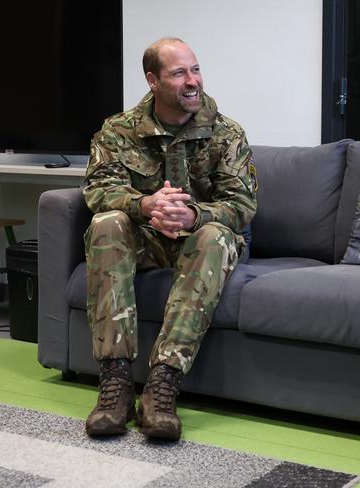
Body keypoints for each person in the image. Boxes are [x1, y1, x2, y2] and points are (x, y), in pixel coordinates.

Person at [83, 37, 257, 440]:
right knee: (107, 223)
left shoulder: (226, 133)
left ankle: (162, 387)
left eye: (195, 69)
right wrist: (145, 206)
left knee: (214, 234)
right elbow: (97, 189)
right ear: (153, 81)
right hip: (148, 241)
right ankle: (115, 385)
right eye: (179, 73)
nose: (192, 80)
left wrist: (194, 214)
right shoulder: (118, 131)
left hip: (203, 245)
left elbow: (242, 205)